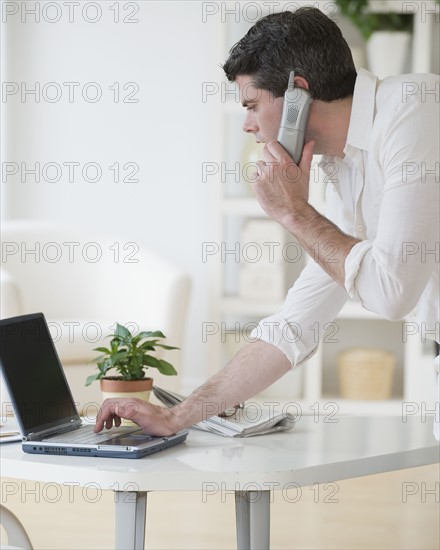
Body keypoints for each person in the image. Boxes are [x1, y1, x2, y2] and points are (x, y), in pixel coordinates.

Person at [95, 7, 439, 438]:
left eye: (252, 105)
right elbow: (297, 322)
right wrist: (177, 415)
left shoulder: (415, 111)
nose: (247, 125)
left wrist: (293, 211)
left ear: (297, 92)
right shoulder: (341, 166)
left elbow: (392, 293)